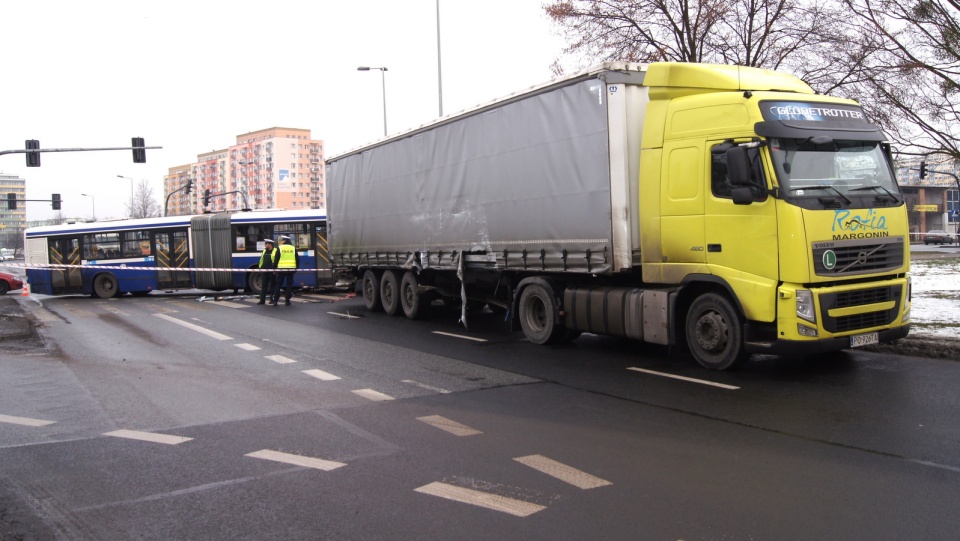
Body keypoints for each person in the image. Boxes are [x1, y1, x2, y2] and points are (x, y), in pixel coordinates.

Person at [271, 235, 299, 306]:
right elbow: (297, 259)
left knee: (278, 284)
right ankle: (287, 300)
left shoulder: (280, 248)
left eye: (282, 240)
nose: (281, 241)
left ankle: (275, 300)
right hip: (290, 269)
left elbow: (276, 259)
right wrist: (296, 268)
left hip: (281, 269)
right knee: (289, 285)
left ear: (285, 241)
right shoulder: (293, 248)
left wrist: (274, 268)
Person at [256, 238, 278, 305]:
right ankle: (262, 300)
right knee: (264, 286)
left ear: (271, 245)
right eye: (266, 244)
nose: (266, 245)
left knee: (273, 286)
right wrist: (260, 267)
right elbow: (261, 260)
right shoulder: (264, 251)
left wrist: (275, 269)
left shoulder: (275, 250)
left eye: (267, 244)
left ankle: (272, 299)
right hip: (264, 271)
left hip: (272, 271)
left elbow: (276, 260)